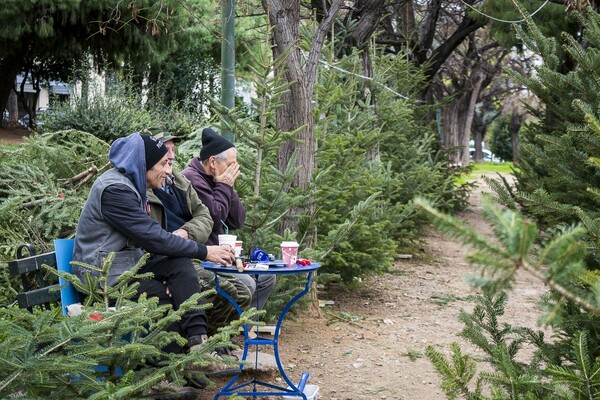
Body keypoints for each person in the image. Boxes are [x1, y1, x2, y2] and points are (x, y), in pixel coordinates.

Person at [71, 132, 235, 357]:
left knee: (179, 264)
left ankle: (199, 345)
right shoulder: (115, 191)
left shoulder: (132, 185)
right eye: (162, 164)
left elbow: (151, 241)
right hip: (101, 277)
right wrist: (205, 251)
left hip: (124, 268)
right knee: (165, 296)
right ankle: (171, 363)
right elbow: (153, 237)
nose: (169, 171)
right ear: (143, 164)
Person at [145, 126, 252, 336]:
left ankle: (216, 344)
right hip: (179, 258)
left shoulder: (179, 181)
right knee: (232, 290)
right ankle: (204, 347)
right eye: (166, 151)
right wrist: (224, 187)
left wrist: (186, 231)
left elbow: (218, 218)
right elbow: (215, 215)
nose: (172, 156)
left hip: (194, 252)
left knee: (245, 289)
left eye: (173, 150)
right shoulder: (177, 181)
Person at [182, 128, 275, 312]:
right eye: (231, 164)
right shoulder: (192, 179)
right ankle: (227, 328)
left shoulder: (219, 179)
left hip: (224, 255)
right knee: (247, 283)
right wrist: (224, 186)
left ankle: (245, 326)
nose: (235, 169)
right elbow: (215, 217)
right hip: (204, 256)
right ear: (213, 162)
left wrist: (228, 187)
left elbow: (237, 220)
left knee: (266, 277)